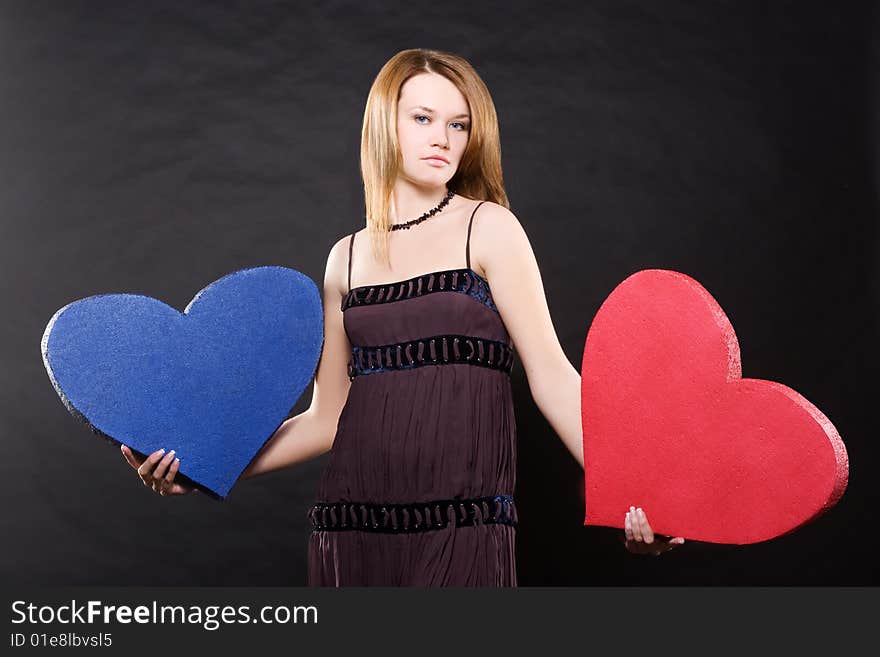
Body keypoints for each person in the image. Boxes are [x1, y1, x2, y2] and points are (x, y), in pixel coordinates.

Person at [120, 48, 685, 585]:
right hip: (352, 528)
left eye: (458, 125)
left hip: (464, 524)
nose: (442, 138)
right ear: (384, 125)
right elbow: (326, 420)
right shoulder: (344, 258)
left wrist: (641, 492)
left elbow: (553, 379)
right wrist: (206, 467)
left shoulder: (488, 228)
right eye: (422, 117)